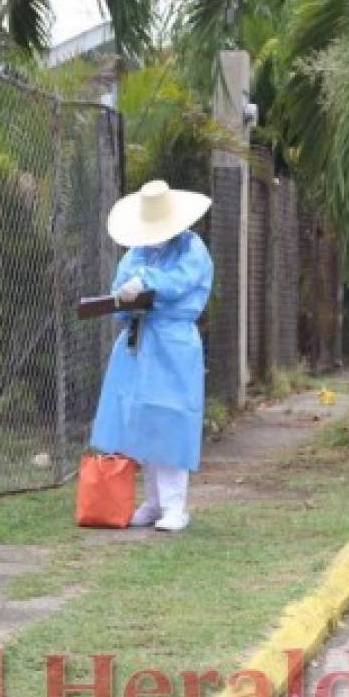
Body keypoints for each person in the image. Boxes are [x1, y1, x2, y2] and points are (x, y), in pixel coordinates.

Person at [91, 180, 213, 532]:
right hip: (138, 341)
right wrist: (125, 298)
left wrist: (145, 281)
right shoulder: (137, 252)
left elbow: (178, 283)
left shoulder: (192, 249)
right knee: (140, 419)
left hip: (173, 343)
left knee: (172, 418)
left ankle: (176, 505)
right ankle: (154, 501)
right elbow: (119, 297)